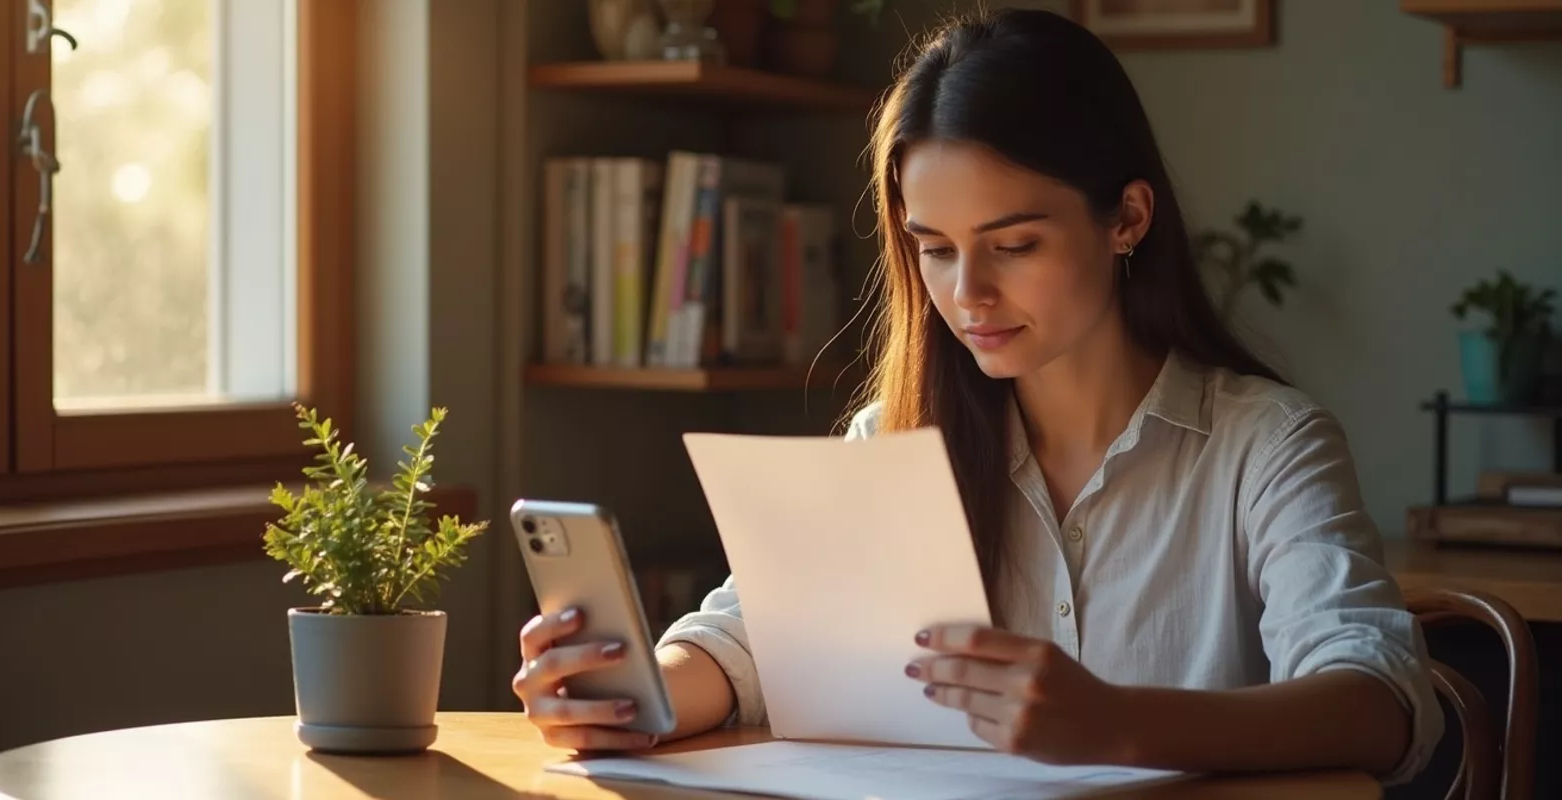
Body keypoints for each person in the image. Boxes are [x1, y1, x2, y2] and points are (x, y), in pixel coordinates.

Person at [511, 7, 1442, 785]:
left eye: (1016, 243)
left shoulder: (1264, 446)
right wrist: (637, 693)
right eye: (936, 246)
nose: (968, 295)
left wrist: (1115, 723)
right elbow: (748, 642)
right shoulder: (897, 443)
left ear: (1127, 218)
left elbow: (1379, 703)